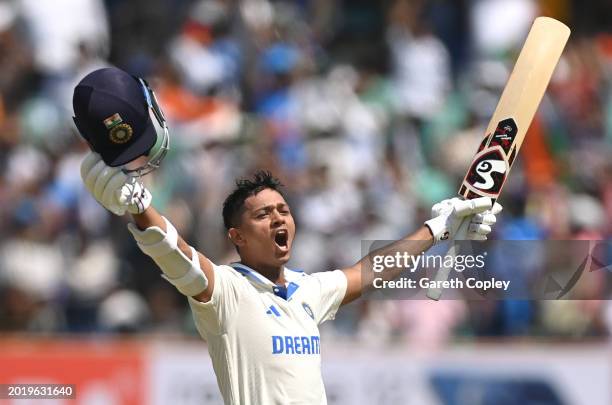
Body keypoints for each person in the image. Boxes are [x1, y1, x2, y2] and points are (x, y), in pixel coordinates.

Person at [74, 67, 501, 405]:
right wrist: (137, 205)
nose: (280, 220)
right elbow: (176, 256)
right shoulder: (227, 291)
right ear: (237, 236)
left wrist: (437, 228)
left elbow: (371, 271)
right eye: (264, 214)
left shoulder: (306, 290)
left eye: (284, 210)